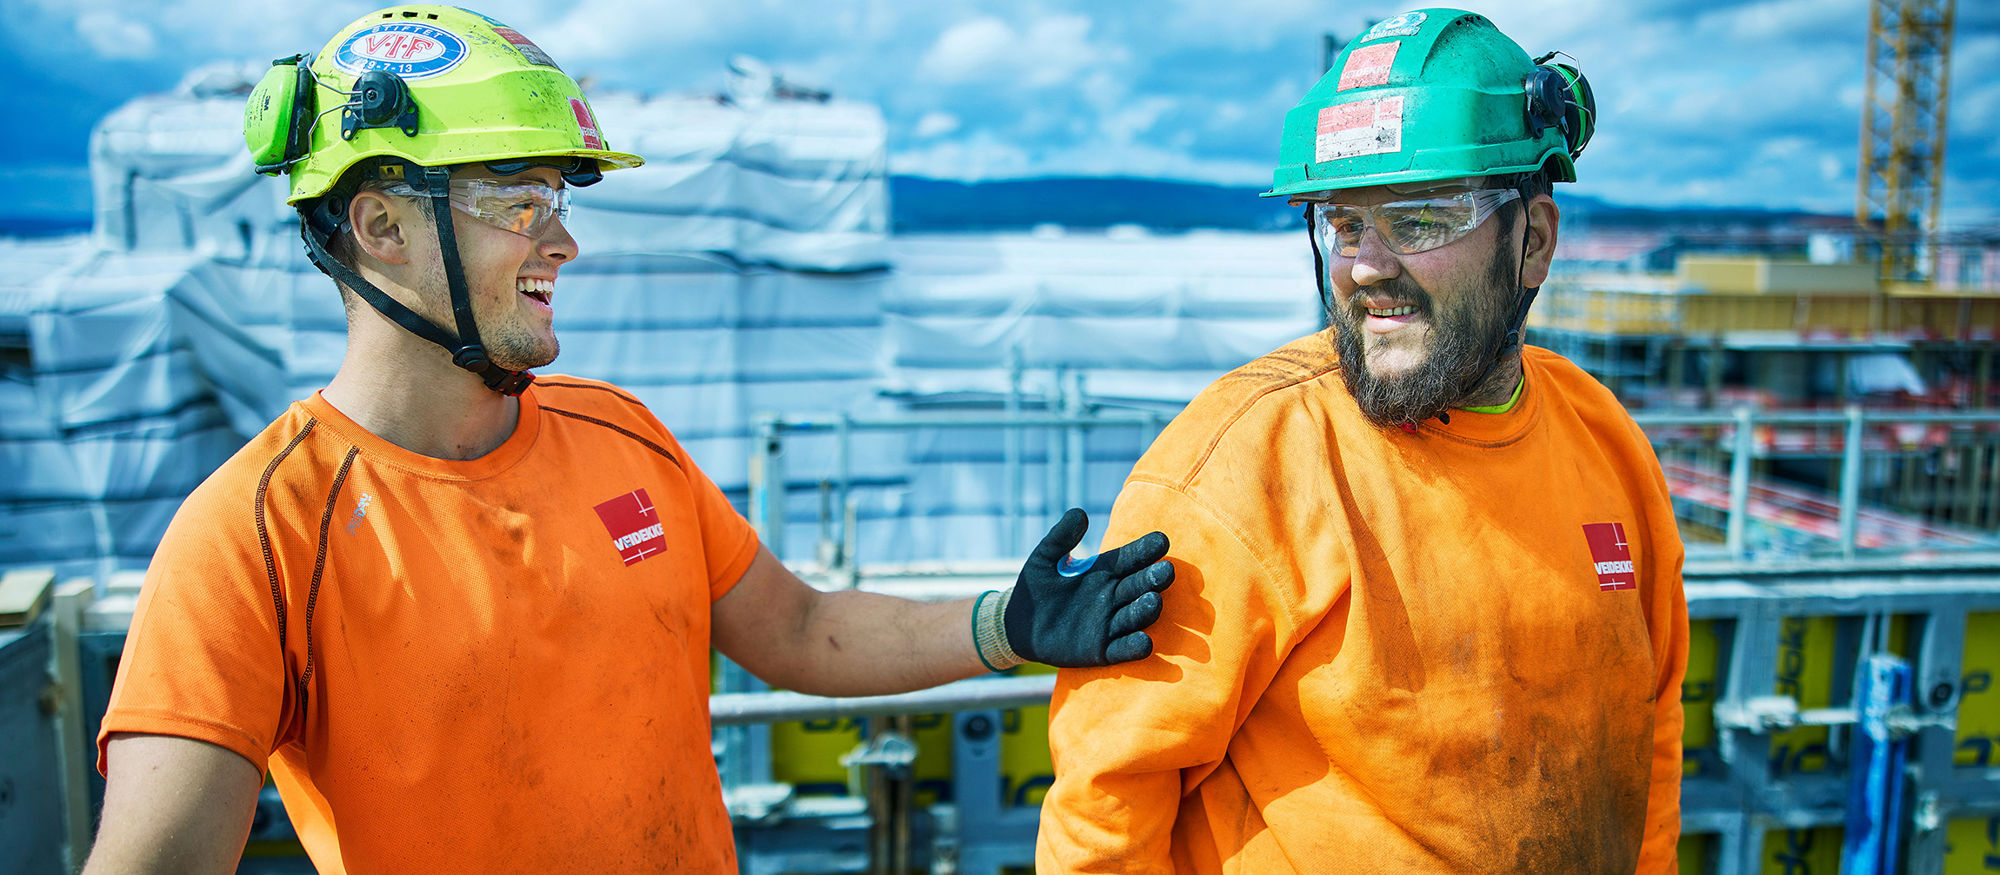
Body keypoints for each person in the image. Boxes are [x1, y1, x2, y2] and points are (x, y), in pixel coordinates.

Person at [84, 6, 1172, 872]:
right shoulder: (255, 531)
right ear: (381, 226)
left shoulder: (623, 434)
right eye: (517, 198)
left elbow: (795, 627)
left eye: (557, 196)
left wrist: (1010, 623)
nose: (562, 237)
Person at [1038, 9, 1687, 873]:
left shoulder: (1605, 444)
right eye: (1344, 225)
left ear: (1533, 241)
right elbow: (1104, 811)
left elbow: (1651, 737)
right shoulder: (1244, 465)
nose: (1367, 265)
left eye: (1419, 220)